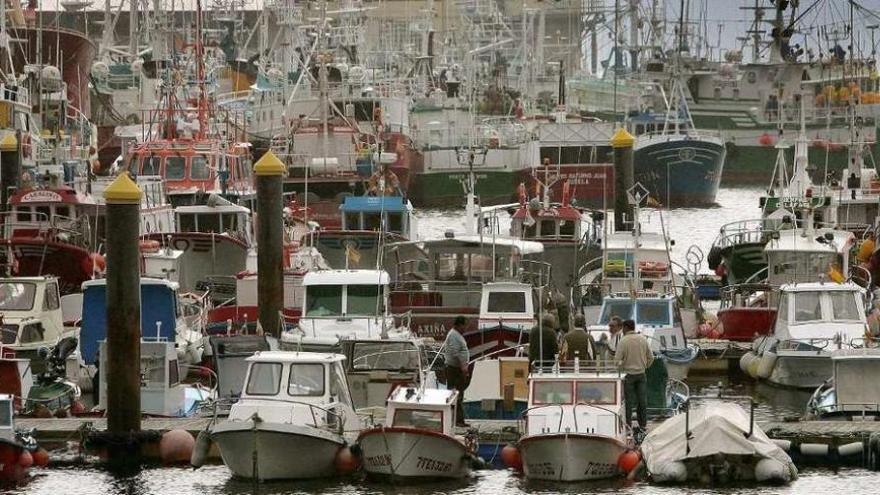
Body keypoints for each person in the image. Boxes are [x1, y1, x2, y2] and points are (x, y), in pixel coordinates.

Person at [616, 319, 654, 438]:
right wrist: (644, 366)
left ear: (626, 328)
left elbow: (616, 360)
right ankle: (643, 425)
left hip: (628, 376)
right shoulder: (643, 339)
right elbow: (651, 357)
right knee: (642, 401)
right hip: (641, 374)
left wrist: (622, 368)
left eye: (622, 328)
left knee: (628, 402)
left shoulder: (623, 341)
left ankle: (628, 427)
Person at [444, 316, 471, 426]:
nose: (465, 328)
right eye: (464, 325)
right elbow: (456, 353)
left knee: (459, 394)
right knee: (456, 394)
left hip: (457, 369)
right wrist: (463, 367)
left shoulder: (457, 335)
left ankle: (458, 420)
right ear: (459, 325)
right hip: (454, 369)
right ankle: (457, 421)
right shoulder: (454, 335)